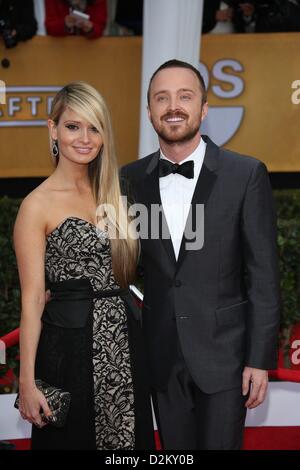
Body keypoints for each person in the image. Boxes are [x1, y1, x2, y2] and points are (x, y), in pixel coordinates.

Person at [121, 59, 281, 450]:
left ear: (204, 109)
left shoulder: (245, 174)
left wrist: (259, 360)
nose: (173, 106)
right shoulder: (128, 180)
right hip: (162, 357)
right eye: (162, 97)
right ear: (149, 112)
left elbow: (263, 277)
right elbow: (121, 267)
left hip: (225, 358)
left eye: (185, 96)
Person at [13, 81, 154, 450]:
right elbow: (32, 299)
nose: (85, 138)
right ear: (53, 129)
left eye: (95, 127)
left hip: (125, 348)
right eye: (73, 126)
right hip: (68, 350)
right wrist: (26, 382)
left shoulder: (117, 193)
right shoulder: (36, 205)